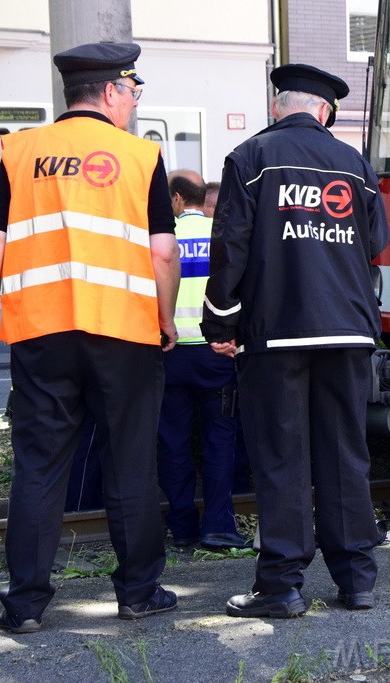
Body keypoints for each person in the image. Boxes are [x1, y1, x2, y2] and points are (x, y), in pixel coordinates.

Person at [0, 42, 180, 633]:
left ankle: (24, 604)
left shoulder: (20, 150)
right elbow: (162, 254)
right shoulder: (141, 158)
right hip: (125, 333)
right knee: (130, 461)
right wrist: (166, 317)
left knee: (39, 465)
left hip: (42, 334)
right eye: (133, 93)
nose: (133, 105)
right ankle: (138, 592)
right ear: (111, 92)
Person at [201, 63, 390, 618]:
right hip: (350, 328)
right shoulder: (354, 165)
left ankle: (282, 586)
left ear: (279, 105)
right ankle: (357, 580)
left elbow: (230, 246)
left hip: (277, 333)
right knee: (344, 453)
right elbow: (376, 240)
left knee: (282, 457)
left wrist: (221, 324)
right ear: (325, 111)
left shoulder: (251, 158)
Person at [157, 169, 249, 550]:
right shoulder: (221, 239)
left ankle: (181, 529)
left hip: (170, 353)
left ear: (177, 199)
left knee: (173, 443)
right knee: (220, 440)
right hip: (217, 354)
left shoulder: (164, 239)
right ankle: (218, 526)